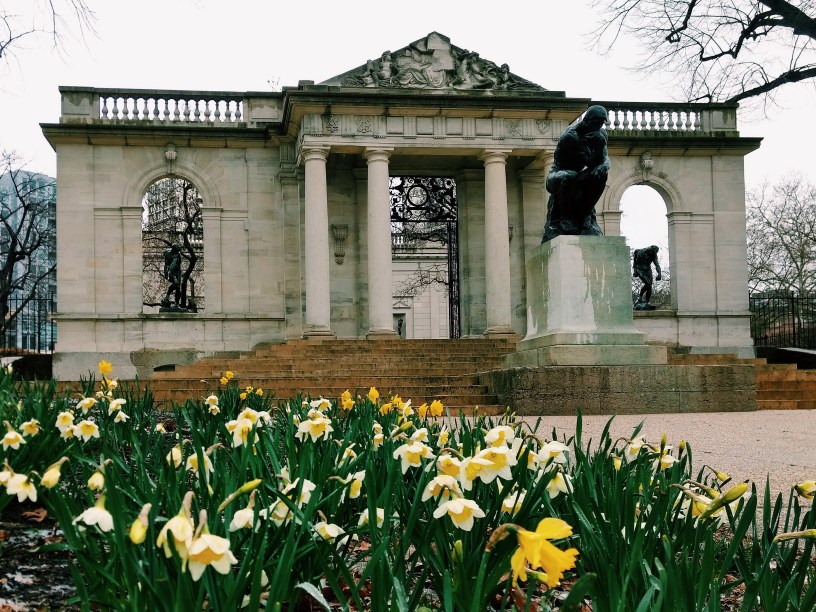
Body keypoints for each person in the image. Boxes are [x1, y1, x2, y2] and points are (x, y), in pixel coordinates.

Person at [541, 105, 611, 243]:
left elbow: (605, 159)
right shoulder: (571, 135)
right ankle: (566, 219)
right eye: (597, 123)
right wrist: (599, 145)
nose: (599, 126)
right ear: (587, 120)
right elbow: (590, 162)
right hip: (557, 176)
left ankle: (586, 214)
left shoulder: (600, 134)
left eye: (602, 123)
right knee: (570, 175)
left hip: (577, 176)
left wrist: (604, 165)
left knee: (601, 175)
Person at [633, 245, 662, 309]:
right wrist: (635, 271)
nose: (654, 254)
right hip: (640, 270)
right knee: (648, 284)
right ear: (650, 250)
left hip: (648, 270)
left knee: (649, 286)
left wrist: (659, 274)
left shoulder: (653, 254)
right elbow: (635, 263)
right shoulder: (638, 252)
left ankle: (646, 302)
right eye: (653, 252)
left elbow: (657, 265)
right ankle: (640, 297)